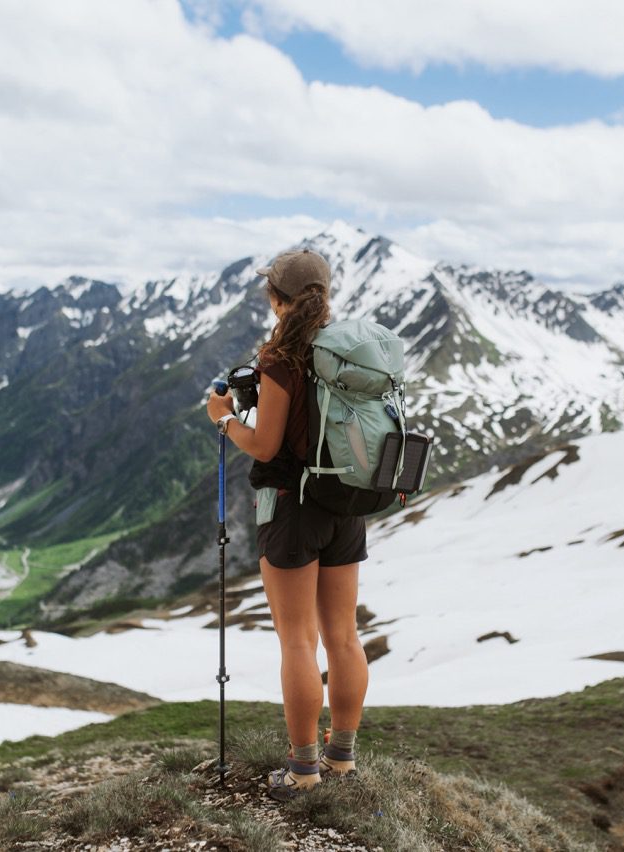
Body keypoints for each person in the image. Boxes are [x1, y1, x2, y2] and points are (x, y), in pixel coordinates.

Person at [206, 248, 368, 801]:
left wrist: (225, 419)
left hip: (291, 506)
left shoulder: (281, 357)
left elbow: (266, 443)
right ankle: (342, 760)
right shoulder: (348, 350)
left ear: (276, 297)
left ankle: (303, 772)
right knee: (343, 636)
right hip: (344, 503)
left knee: (297, 641)